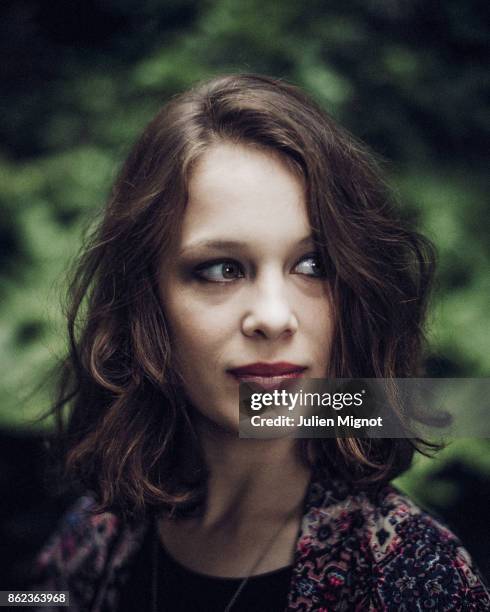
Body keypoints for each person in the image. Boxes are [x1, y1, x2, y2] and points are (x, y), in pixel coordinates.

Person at [32, 74, 489, 611]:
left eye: (313, 264)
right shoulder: (98, 534)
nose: (273, 317)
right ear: (146, 301)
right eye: (222, 269)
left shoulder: (414, 578)